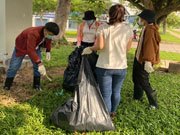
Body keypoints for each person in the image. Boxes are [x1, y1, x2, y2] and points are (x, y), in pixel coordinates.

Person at [82, 4, 133, 118]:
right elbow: (128, 48)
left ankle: (105, 117)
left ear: (110, 14)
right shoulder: (128, 29)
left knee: (106, 93)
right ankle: (112, 113)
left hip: (105, 66)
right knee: (116, 92)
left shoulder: (103, 27)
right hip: (121, 67)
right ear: (123, 15)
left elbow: (99, 46)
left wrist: (89, 48)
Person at [3, 22, 59, 91]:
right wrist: (39, 63)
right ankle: (7, 85)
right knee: (14, 66)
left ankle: (36, 85)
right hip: (21, 46)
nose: (51, 36)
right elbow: (30, 51)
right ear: (46, 31)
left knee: (37, 67)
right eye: (51, 35)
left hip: (34, 46)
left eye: (52, 35)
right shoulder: (33, 33)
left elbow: (48, 41)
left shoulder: (47, 33)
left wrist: (48, 51)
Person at [132, 9, 161, 109]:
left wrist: (148, 61)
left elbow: (150, 46)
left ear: (145, 19)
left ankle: (154, 104)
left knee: (143, 81)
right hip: (139, 58)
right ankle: (137, 97)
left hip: (145, 60)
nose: (140, 19)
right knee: (136, 78)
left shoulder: (150, 29)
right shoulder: (146, 27)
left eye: (141, 18)